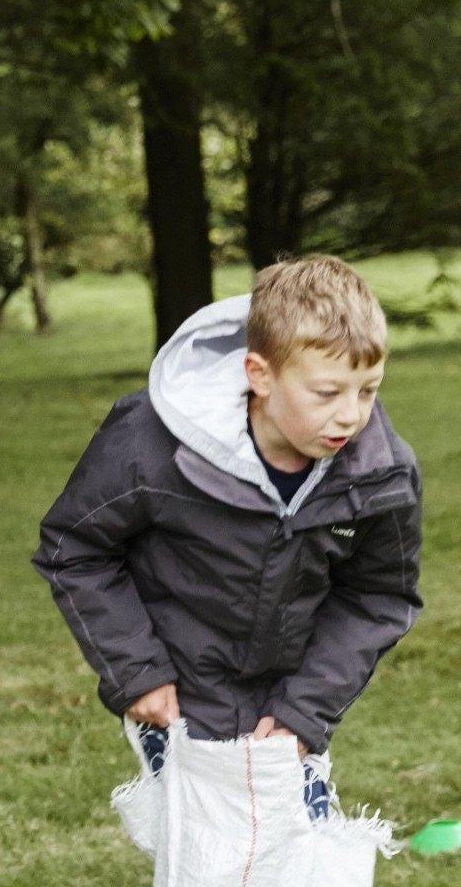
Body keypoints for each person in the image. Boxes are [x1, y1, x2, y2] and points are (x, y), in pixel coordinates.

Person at [33, 254, 422, 781]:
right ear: (260, 375)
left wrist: (304, 711)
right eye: (327, 393)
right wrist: (138, 671)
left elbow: (378, 595)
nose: (352, 414)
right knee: (217, 856)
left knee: (292, 854)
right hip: (180, 697)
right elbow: (74, 549)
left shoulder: (382, 473)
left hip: (289, 709)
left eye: (368, 389)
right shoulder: (151, 446)